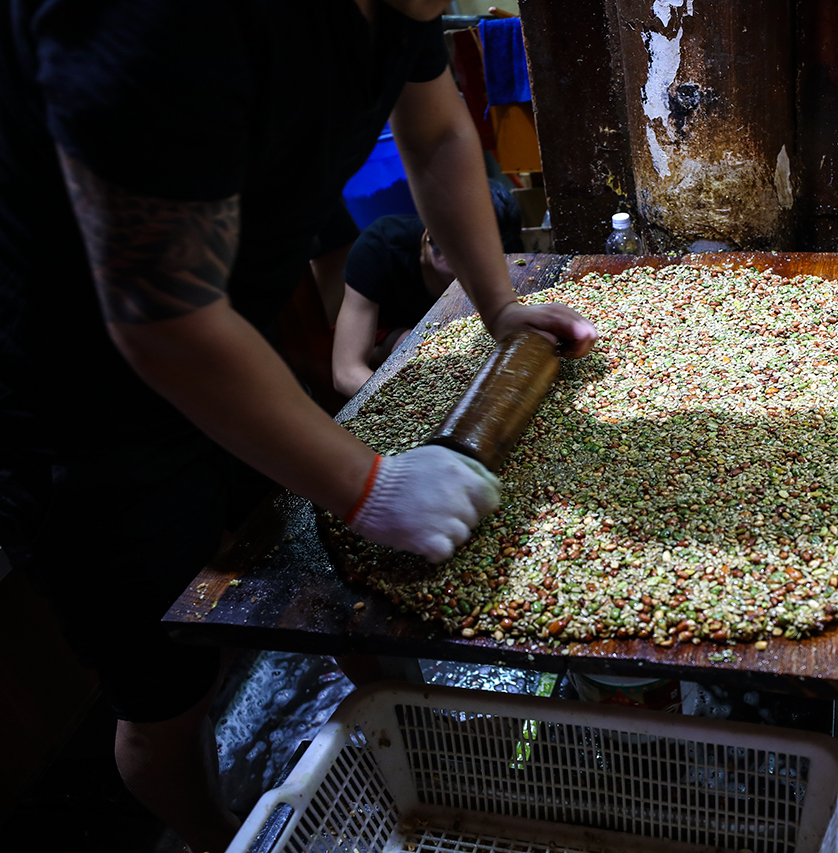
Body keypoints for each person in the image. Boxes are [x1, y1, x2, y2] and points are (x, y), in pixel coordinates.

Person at [0, 2, 596, 852]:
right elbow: (162, 317)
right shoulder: (158, 19)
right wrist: (371, 485)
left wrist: (498, 305)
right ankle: (219, 837)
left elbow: (437, 136)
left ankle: (413, 738)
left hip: (227, 340)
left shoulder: (399, 7)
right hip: (78, 403)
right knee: (167, 692)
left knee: (332, 581)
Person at [332, 179, 523, 398]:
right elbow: (346, 372)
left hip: (453, 349)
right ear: (431, 235)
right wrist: (412, 403)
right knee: (408, 345)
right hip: (388, 341)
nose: (470, 277)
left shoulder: (505, 247)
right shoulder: (378, 248)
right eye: (461, 264)